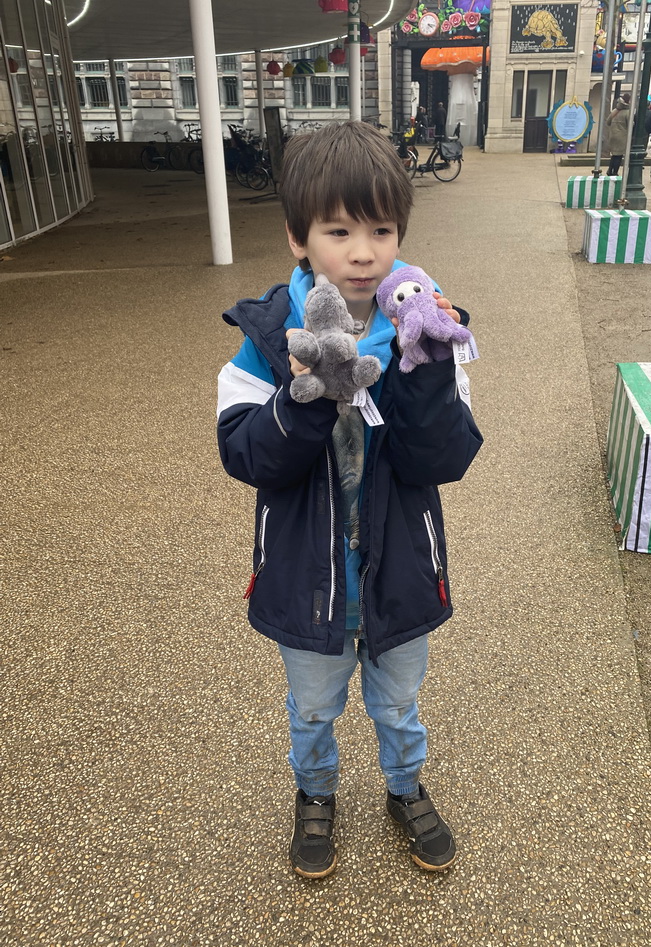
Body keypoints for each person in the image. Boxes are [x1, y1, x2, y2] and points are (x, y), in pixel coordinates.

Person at [216, 121, 483, 879]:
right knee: (312, 707)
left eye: (381, 228)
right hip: (309, 575)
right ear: (299, 236)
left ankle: (404, 787)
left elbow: (446, 457)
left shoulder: (423, 325)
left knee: (398, 703)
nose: (363, 251)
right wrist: (305, 398)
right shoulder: (268, 337)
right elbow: (242, 453)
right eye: (339, 229)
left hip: (397, 568)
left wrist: (425, 372)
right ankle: (316, 793)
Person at [606, 92, 631, 177]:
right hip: (622, 136)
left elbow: (607, 122)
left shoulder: (614, 111)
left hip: (613, 136)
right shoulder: (628, 112)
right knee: (619, 156)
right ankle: (614, 172)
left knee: (614, 154)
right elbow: (630, 125)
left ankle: (610, 170)